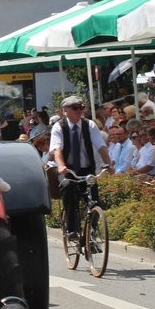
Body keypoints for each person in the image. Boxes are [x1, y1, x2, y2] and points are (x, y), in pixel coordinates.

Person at [50, 96, 111, 240]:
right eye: (75, 108)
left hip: (86, 168)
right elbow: (57, 149)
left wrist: (109, 163)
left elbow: (100, 145)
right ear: (65, 110)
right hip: (68, 169)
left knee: (94, 200)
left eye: (81, 108)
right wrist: (61, 166)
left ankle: (92, 235)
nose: (79, 111)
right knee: (69, 190)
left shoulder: (89, 125)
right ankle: (72, 230)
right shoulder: (59, 126)